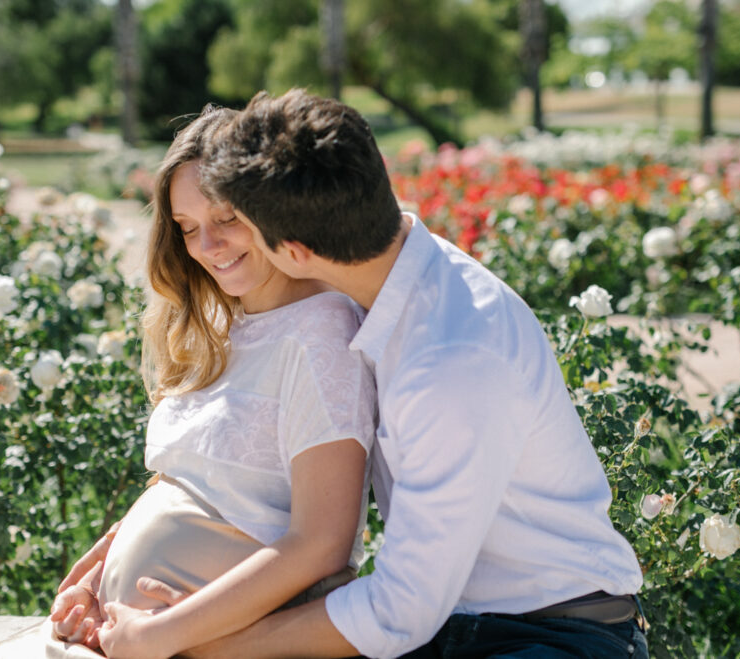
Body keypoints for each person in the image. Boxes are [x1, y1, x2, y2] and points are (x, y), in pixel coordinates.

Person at [97, 89, 650, 658]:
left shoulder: (453, 359)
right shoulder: (393, 281)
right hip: (449, 627)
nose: (213, 247)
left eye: (237, 222)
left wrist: (195, 645)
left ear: (292, 248)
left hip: (549, 636)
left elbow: (397, 611)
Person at [45, 105, 377, 659]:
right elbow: (200, 480)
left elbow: (323, 544)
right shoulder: (223, 324)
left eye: (226, 218)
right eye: (188, 228)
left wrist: (160, 635)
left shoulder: (321, 332)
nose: (208, 246)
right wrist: (106, 561)